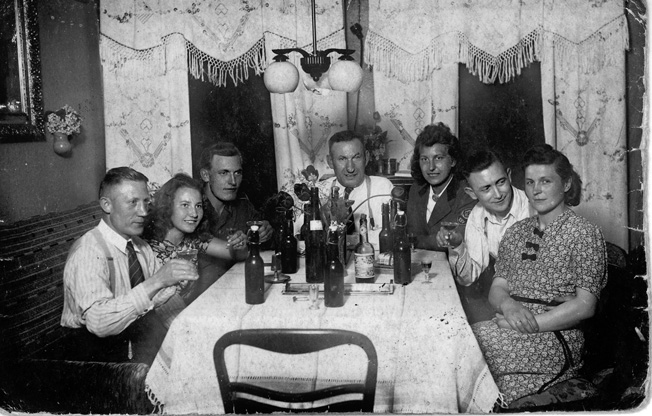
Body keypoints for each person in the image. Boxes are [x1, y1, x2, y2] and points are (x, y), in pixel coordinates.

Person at [471, 144, 607, 405]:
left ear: (566, 184)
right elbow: (497, 289)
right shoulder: (516, 232)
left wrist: (525, 324)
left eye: (546, 181)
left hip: (553, 336)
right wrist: (509, 306)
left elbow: (585, 306)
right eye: (530, 182)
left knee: (472, 351)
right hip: (508, 326)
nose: (536, 189)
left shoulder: (584, 233)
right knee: (460, 341)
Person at [61, 167, 198, 365]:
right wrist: (157, 281)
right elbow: (99, 324)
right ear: (107, 205)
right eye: (133, 202)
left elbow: (163, 304)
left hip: (133, 340)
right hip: (93, 358)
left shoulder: (140, 246)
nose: (143, 212)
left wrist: (190, 334)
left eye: (145, 202)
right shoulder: (89, 252)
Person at [436, 149, 534, 323]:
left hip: (537, 302)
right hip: (505, 301)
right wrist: (458, 246)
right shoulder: (477, 215)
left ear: (509, 175)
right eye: (486, 188)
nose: (497, 194)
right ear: (472, 193)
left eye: (501, 182)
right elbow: (468, 278)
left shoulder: (533, 208)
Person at [142, 173, 248, 325]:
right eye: (185, 205)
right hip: (162, 329)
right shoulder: (148, 250)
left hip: (183, 319)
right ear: (167, 206)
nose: (194, 214)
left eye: (198, 206)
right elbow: (164, 312)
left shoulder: (194, 240)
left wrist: (240, 244)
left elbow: (235, 254)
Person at [197, 142, 272, 292]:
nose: (232, 182)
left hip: (234, 288)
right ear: (206, 175)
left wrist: (266, 231)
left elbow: (262, 240)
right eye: (223, 173)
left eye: (237, 173)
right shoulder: (192, 206)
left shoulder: (243, 204)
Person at [406, 123, 476, 250]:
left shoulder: (466, 194)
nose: (431, 167)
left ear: (453, 161)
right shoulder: (416, 189)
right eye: (424, 159)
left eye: (438, 158)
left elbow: (458, 239)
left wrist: (420, 241)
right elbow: (410, 235)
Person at [323, 130, 394, 249]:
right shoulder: (322, 190)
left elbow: (390, 236)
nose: (350, 168)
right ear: (330, 162)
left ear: (366, 158)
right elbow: (301, 235)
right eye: (342, 159)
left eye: (356, 157)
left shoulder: (382, 187)